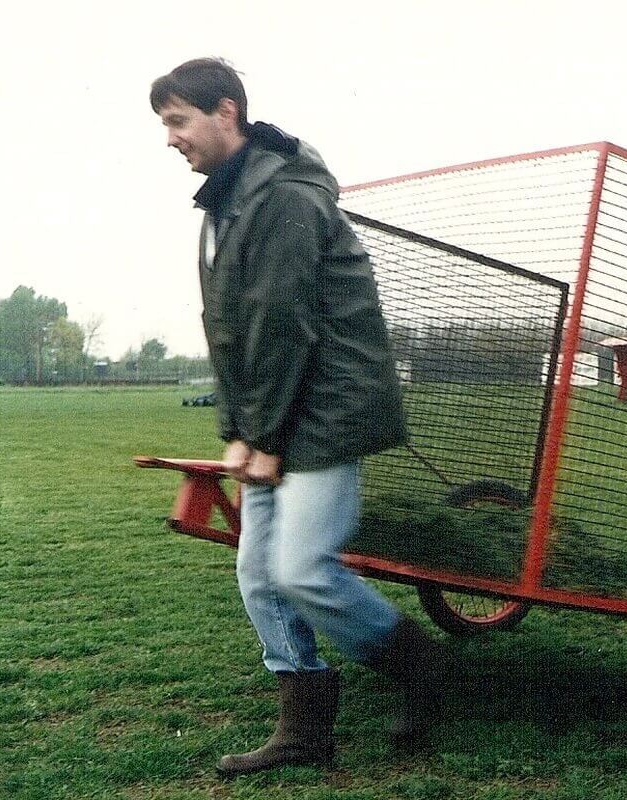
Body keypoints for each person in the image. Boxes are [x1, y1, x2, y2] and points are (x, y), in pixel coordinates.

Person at [150, 57, 439, 776]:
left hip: (327, 409)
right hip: (281, 413)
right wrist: (238, 433)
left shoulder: (280, 196)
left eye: (178, 121)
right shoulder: (228, 200)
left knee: (304, 569)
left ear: (226, 113)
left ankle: (423, 669)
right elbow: (231, 331)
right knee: (259, 572)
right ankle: (305, 729)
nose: (169, 138)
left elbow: (282, 327)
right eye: (163, 125)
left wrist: (266, 438)